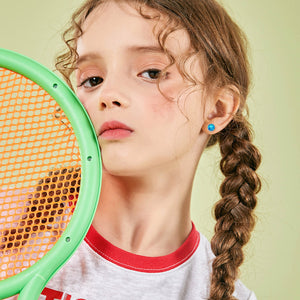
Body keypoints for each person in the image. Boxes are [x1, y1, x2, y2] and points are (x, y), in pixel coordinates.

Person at [8, 0, 262, 299]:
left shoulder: (225, 294)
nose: (108, 94)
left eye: (151, 73)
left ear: (218, 109)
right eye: (92, 79)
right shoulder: (12, 221)